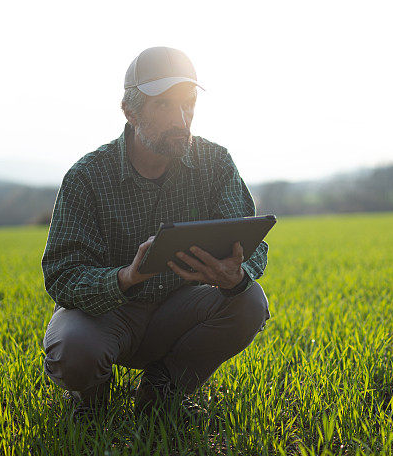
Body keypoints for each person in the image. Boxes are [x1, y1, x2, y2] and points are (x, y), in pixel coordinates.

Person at [41, 46, 271, 418]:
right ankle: (92, 393)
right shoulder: (87, 177)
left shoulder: (215, 163)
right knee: (74, 351)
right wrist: (127, 276)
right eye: (164, 106)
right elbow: (62, 276)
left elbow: (252, 244)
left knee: (249, 300)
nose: (181, 118)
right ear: (131, 112)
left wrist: (234, 273)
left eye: (188, 104)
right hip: (109, 313)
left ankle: (161, 389)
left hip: (179, 309)